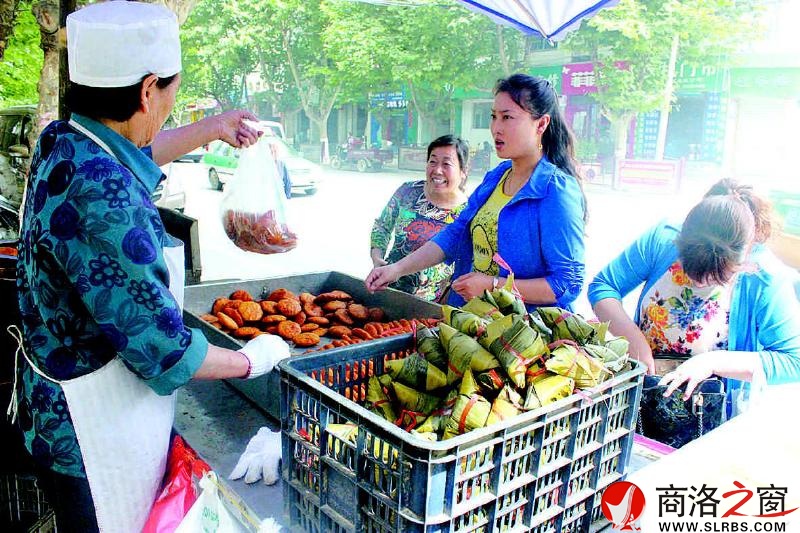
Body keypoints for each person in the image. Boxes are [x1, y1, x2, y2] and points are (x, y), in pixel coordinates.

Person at [13, 3, 288, 531]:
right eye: (170, 93)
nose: (169, 106)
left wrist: (211, 128)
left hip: (49, 406)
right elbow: (164, 351)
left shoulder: (66, 140)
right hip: (88, 434)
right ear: (146, 91)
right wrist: (249, 362)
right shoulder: (107, 197)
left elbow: (129, 154)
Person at [366, 74, 587, 311]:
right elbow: (455, 234)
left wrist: (494, 285)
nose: (496, 128)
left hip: (521, 336)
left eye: (507, 117)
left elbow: (567, 283)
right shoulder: (497, 177)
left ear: (541, 124)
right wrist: (395, 269)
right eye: (494, 116)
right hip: (472, 322)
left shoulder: (556, 190)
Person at [588, 179, 800, 415]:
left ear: (742, 262)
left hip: (710, 418)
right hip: (643, 399)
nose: (700, 282)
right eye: (692, 271)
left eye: (715, 277)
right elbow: (604, 286)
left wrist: (713, 362)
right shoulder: (663, 239)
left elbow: (794, 361)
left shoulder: (765, 279)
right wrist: (632, 338)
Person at [370, 135, 469, 301]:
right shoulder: (408, 191)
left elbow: (463, 269)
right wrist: (377, 257)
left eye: (446, 164)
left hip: (428, 305)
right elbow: (382, 225)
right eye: (433, 161)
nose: (437, 170)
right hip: (387, 289)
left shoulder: (466, 214)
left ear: (463, 172)